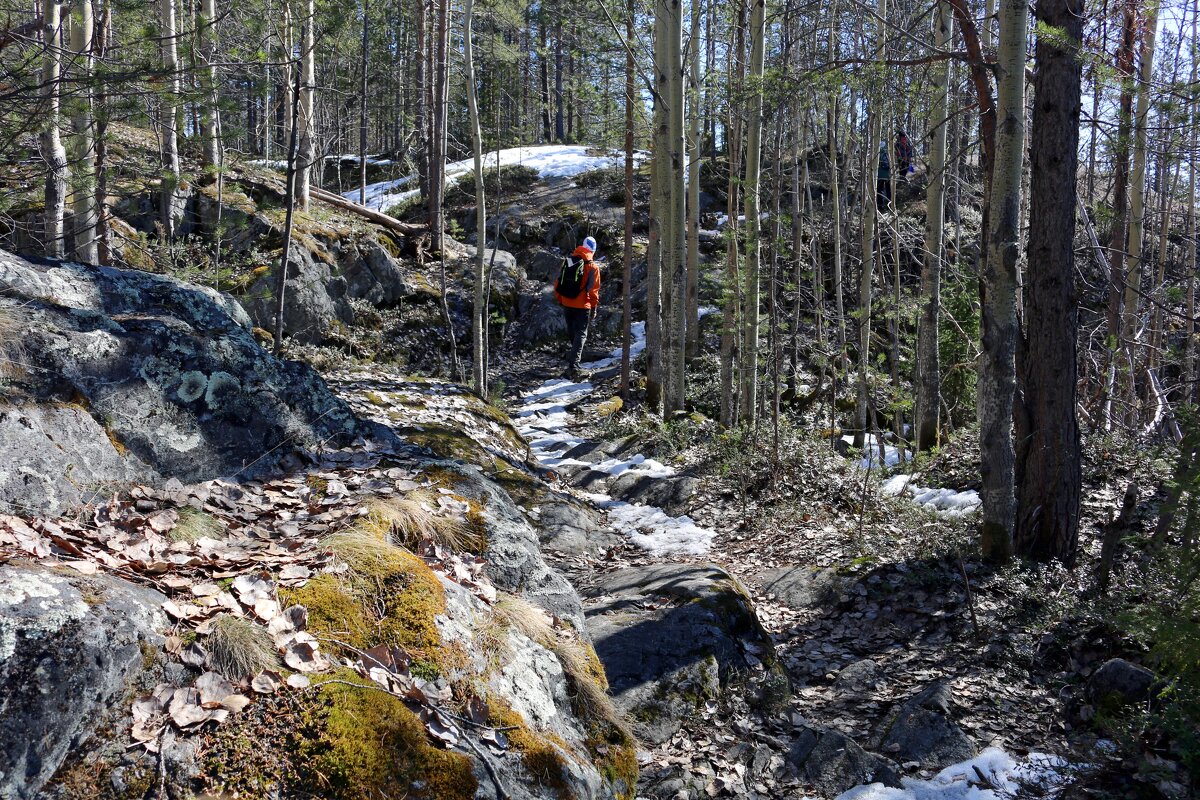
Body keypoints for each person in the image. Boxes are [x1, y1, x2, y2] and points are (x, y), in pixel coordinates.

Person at [554, 236, 601, 378]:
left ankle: (574, 356)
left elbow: (558, 284)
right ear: (593, 250)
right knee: (581, 333)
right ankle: (574, 364)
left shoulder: (569, 261)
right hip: (582, 305)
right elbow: (593, 290)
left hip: (567, 303)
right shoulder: (593, 267)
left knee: (572, 332)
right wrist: (594, 307)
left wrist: (561, 299)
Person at [876, 143, 892, 210]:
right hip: (888, 175)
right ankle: (890, 205)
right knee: (889, 191)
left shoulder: (877, 154)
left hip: (880, 176)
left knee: (880, 191)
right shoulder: (888, 154)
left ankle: (880, 206)